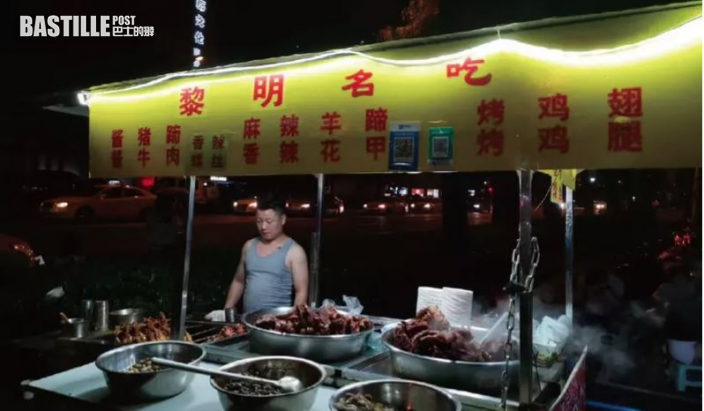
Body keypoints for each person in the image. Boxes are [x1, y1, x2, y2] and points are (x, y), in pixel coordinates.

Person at [223, 192, 309, 313]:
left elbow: (301, 292)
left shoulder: (295, 252)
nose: (263, 227)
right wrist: (226, 311)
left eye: (269, 221)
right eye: (259, 221)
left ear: (283, 219)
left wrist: (293, 319)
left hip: (277, 320)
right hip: (248, 319)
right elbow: (239, 281)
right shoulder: (249, 246)